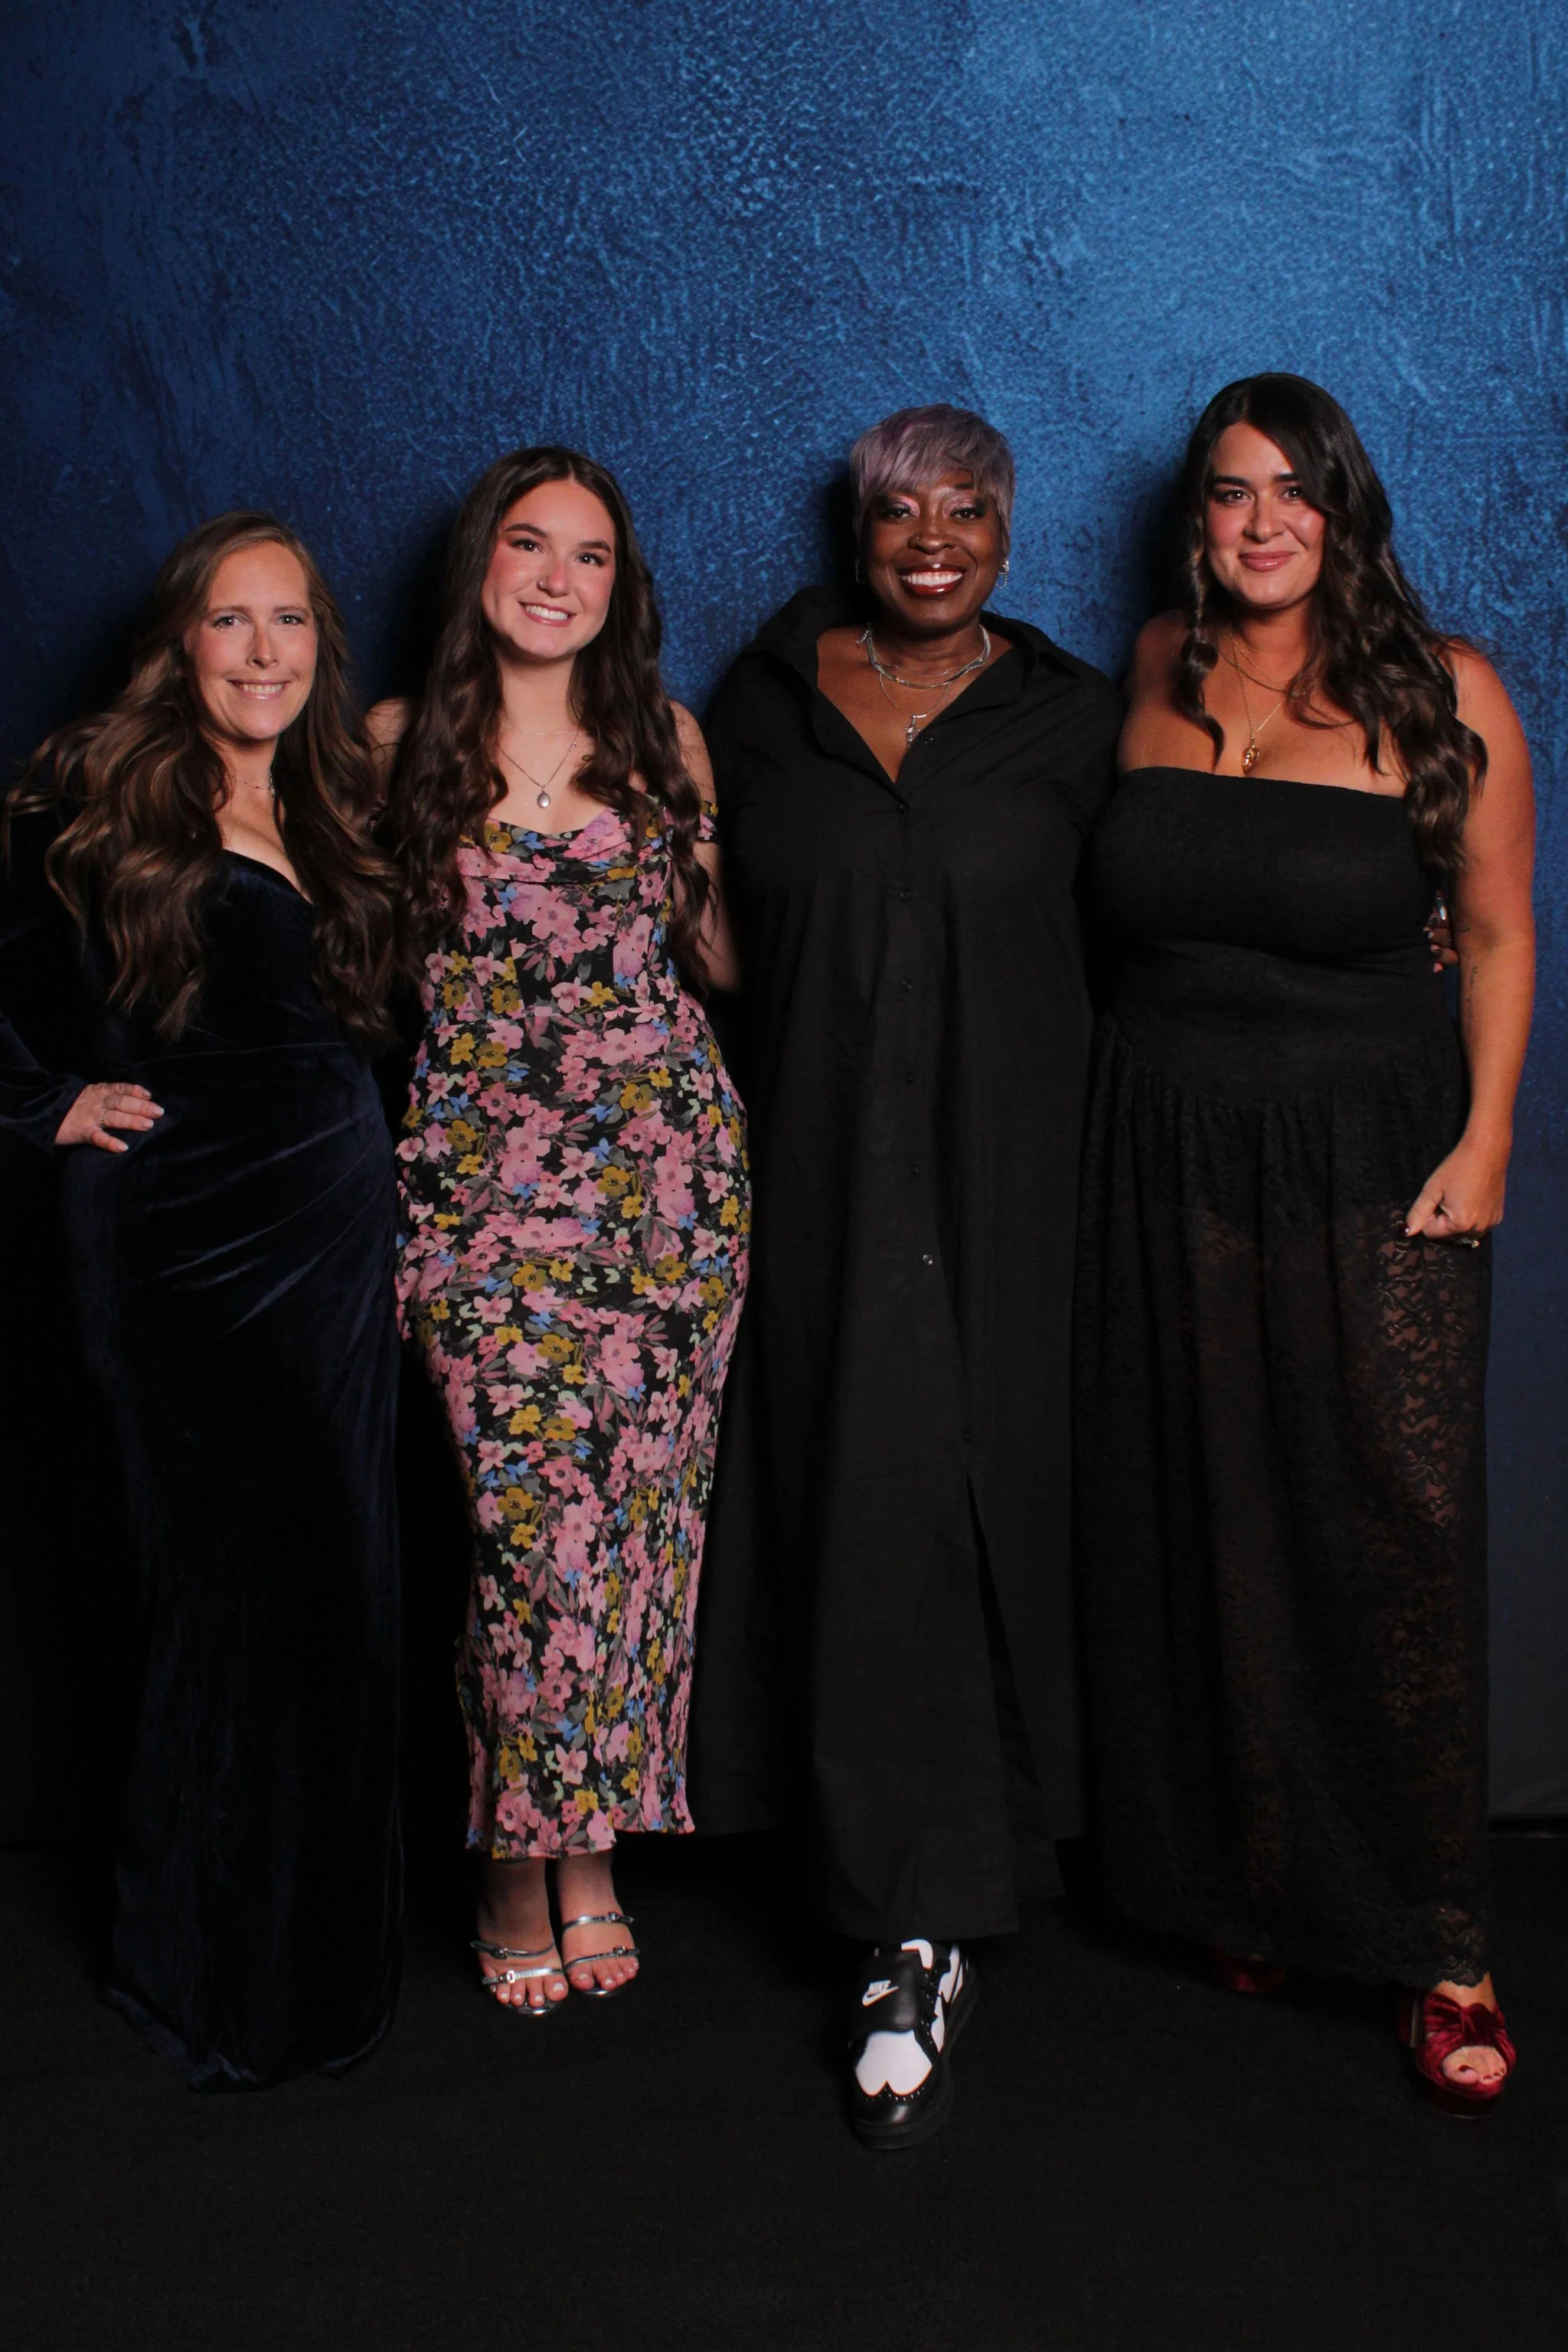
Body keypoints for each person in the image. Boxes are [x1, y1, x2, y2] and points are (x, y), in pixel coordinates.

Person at [1076, 374, 1534, 2112]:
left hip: (1374, 1149)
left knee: (1388, 1522)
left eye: (1292, 492)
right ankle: (1248, 1885)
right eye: (1226, 493)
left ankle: (1441, 1939)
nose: (1257, 523)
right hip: (1167, 1139)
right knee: (1212, 1511)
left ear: (1344, 508)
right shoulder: (1148, 668)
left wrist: (1487, 1136)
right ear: (1195, 516)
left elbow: (1491, 933)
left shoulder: (1448, 688)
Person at [690, 405, 1121, 2146]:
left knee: (977, 1507)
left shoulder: (1072, 718)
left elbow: (1155, 913)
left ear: (1006, 532)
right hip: (809, 1186)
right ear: (854, 530)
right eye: (897, 513)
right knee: (858, 1515)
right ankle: (895, 1912)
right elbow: (693, 918)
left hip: (1014, 1193)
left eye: (965, 510)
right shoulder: (760, 701)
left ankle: (942, 1900)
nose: (930, 538)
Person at [1, 514, 403, 2088]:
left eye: (289, 622)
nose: (262, 654)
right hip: (188, 1260)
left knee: (341, 1600)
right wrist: (44, 1108)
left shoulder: (333, 802)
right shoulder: (105, 808)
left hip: (333, 1256)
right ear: (180, 645)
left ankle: (319, 1966)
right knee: (232, 1608)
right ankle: (209, 1981)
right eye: (230, 623)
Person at [377, 446, 748, 2016]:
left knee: (640, 1547)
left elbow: (717, 959)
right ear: (479, 564)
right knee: (527, 1541)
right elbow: (309, 938)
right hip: (474, 1190)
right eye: (527, 545)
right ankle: (510, 1851)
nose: (554, 577)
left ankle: (586, 1855)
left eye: (588, 556)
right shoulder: (392, 744)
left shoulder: (665, 738)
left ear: (620, 587)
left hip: (664, 1194)